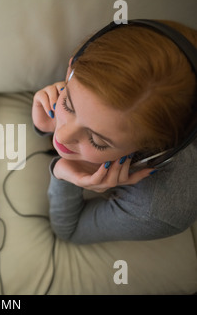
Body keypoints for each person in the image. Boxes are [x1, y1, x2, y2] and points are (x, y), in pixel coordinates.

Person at [32, 20, 197, 244]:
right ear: (71, 68)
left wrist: (65, 174)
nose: (60, 137)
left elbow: (69, 230)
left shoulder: (158, 211)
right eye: (69, 104)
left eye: (97, 140)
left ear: (148, 152)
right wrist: (46, 124)